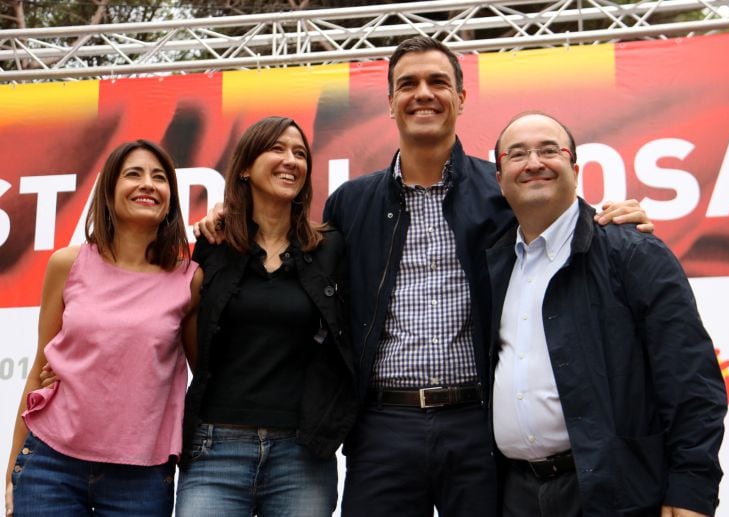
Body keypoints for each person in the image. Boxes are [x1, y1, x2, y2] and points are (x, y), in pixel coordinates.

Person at [195, 37, 652, 517]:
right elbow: (291, 247)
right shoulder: (351, 204)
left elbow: (557, 221)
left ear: (461, 97)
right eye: (407, 84)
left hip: (477, 425)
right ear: (390, 103)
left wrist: (611, 218)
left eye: (438, 82)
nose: (423, 94)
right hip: (381, 427)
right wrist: (229, 214)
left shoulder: (501, 195)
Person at [487, 111, 727, 517]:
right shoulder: (493, 265)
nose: (534, 163)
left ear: (575, 169)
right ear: (499, 180)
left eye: (549, 150)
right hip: (516, 495)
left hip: (614, 495)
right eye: (517, 155)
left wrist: (691, 491)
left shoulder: (632, 252)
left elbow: (692, 381)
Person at [5, 140, 202, 516]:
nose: (148, 184)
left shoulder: (189, 280)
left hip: (142, 479)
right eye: (134, 174)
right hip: (51, 465)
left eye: (159, 178)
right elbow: (38, 370)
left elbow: (204, 376)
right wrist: (12, 471)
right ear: (109, 191)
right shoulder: (67, 264)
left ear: (170, 200)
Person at [175, 116, 356, 517]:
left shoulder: (329, 247)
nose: (290, 160)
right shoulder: (213, 243)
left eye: (299, 153)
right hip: (215, 446)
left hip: (302, 453)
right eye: (277, 148)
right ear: (244, 166)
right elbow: (189, 334)